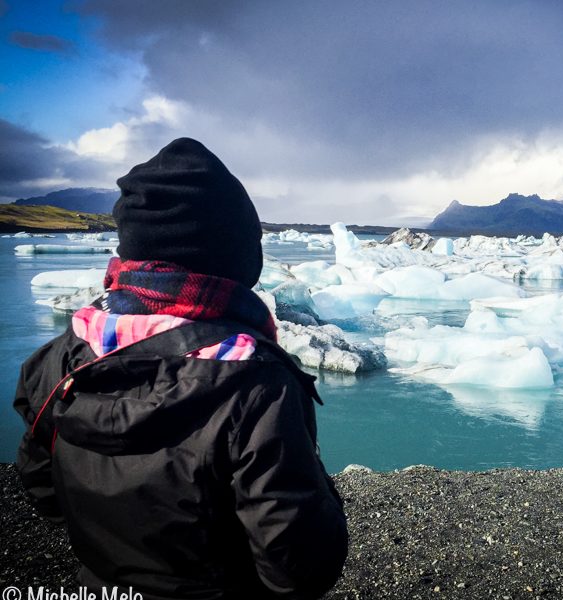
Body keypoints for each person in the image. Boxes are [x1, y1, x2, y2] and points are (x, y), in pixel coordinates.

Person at [14, 138, 348, 599]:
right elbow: (296, 562)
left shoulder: (59, 357)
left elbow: (42, 486)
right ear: (233, 255)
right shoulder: (254, 382)